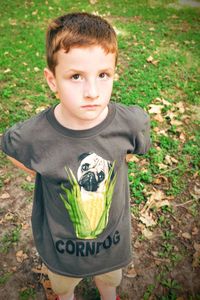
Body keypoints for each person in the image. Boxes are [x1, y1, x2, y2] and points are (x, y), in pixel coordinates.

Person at [1, 12, 151, 300]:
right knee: (64, 286)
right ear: (52, 80)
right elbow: (11, 148)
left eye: (103, 75)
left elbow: (132, 149)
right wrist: (37, 170)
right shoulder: (35, 134)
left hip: (112, 242)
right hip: (63, 248)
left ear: (114, 73)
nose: (92, 92)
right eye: (76, 76)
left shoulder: (129, 124)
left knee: (110, 280)